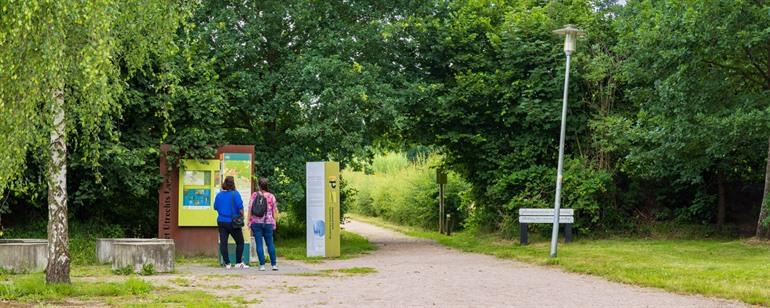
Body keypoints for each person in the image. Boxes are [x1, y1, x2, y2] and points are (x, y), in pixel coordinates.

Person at [213, 176, 248, 269]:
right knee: (240, 242)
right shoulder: (235, 194)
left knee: (223, 242)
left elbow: (215, 207)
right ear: (233, 184)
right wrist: (242, 216)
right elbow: (240, 208)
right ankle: (238, 262)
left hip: (221, 221)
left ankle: (227, 263)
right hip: (233, 222)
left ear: (224, 183)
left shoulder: (219, 195)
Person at [249, 177, 279, 271]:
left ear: (259, 185)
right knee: (270, 243)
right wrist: (275, 221)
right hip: (269, 222)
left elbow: (250, 209)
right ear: (267, 185)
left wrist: (249, 221)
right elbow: (275, 211)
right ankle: (274, 265)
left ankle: (262, 265)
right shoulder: (271, 196)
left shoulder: (254, 195)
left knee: (259, 244)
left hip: (256, 222)